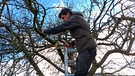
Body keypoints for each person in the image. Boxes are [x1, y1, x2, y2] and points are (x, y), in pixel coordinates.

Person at [42, 8, 97, 76]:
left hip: (87, 49)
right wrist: (71, 44)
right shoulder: (77, 20)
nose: (64, 20)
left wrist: (46, 31)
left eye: (63, 18)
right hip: (85, 50)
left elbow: (62, 27)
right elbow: (81, 36)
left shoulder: (75, 18)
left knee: (81, 73)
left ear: (67, 14)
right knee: (78, 73)